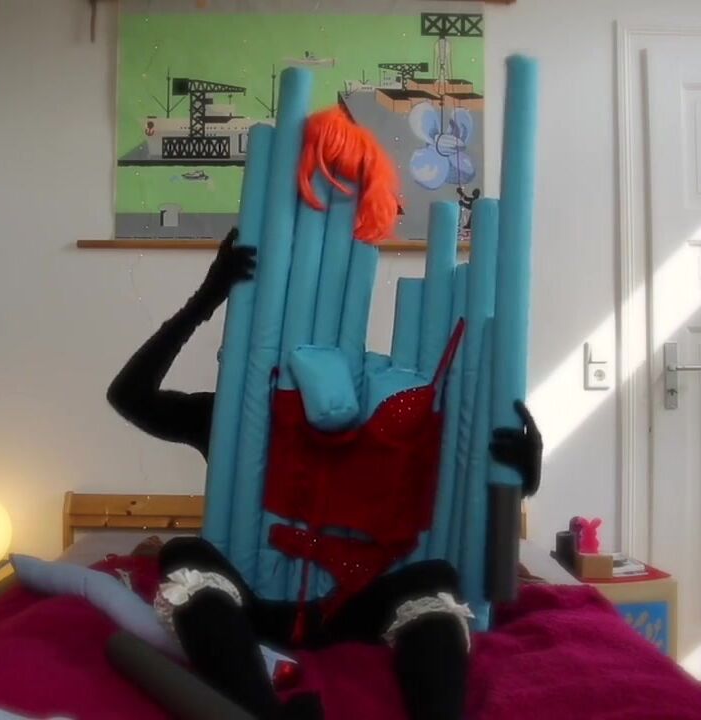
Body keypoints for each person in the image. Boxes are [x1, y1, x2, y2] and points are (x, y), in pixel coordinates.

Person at [108, 229, 543, 720]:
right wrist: (207, 297)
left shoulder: (396, 427)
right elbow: (129, 396)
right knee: (185, 553)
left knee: (435, 578)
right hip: (252, 601)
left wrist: (522, 476)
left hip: (357, 606)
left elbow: (465, 486)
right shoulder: (233, 420)